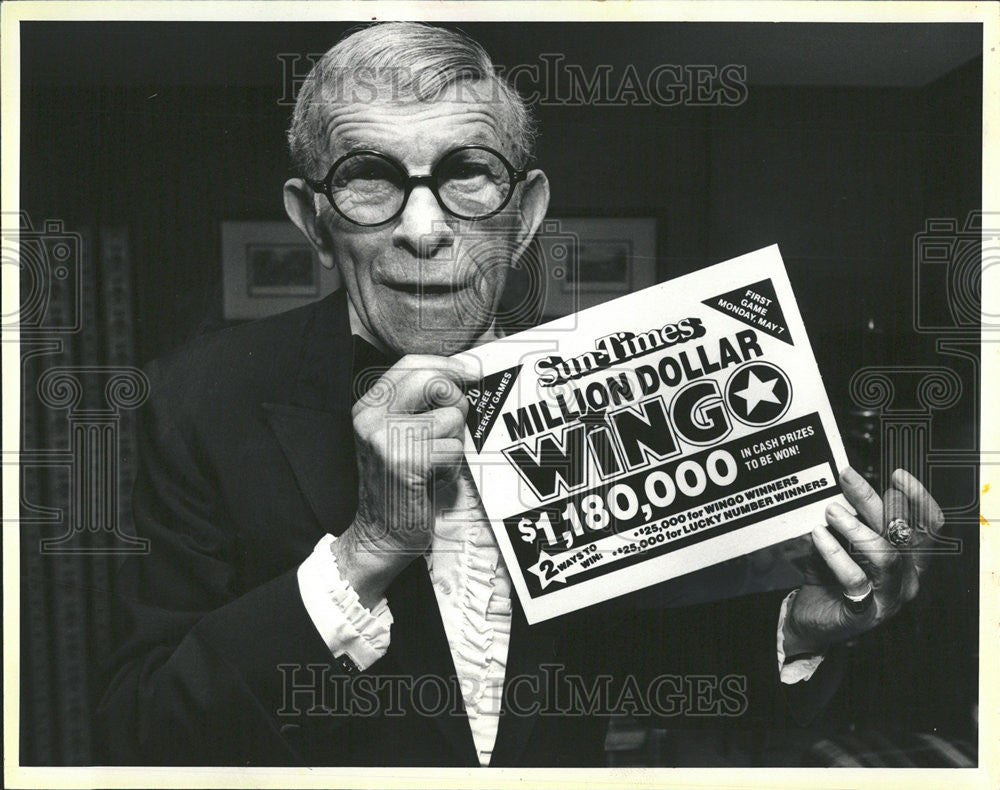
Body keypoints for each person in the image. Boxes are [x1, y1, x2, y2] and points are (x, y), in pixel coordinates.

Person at [98, 22, 943, 767]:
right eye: (368, 179)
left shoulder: (602, 388)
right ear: (313, 221)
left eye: (468, 175)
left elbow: (631, 657)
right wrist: (370, 547)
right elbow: (145, 729)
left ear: (525, 212)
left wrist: (805, 625)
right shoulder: (196, 403)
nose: (423, 230)